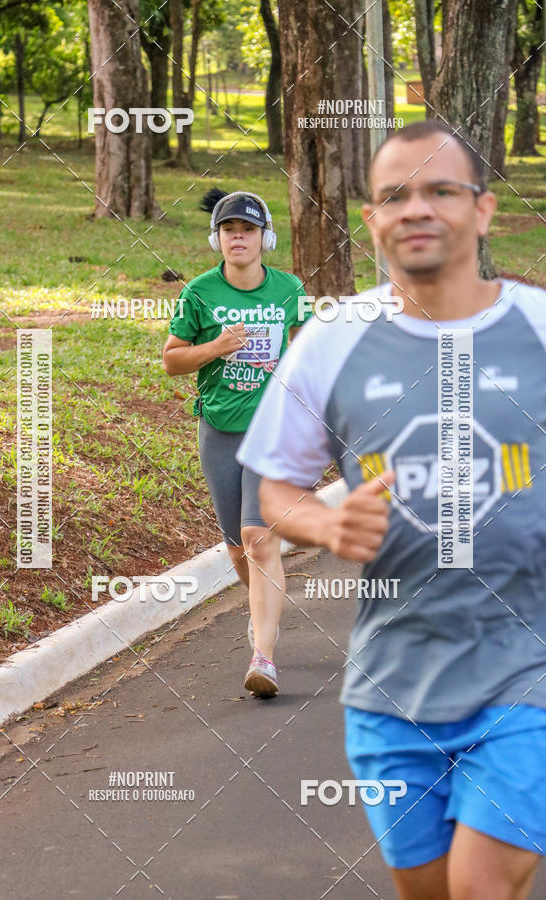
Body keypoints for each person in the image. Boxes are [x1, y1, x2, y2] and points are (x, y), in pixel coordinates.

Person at [237, 120, 546, 898]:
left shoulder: (539, 330)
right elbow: (276, 492)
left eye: (441, 189)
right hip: (391, 689)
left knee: (480, 889)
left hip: (527, 676)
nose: (416, 208)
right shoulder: (332, 340)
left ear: (483, 210)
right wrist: (326, 523)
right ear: (372, 220)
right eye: (393, 195)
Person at [162, 188, 311, 698]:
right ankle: (261, 614)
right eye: (229, 230)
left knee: (259, 539)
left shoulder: (291, 290)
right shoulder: (199, 294)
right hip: (220, 429)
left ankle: (263, 658)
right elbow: (172, 359)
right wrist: (217, 347)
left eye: (247, 230)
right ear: (217, 238)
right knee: (235, 547)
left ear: (264, 238)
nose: (238, 238)